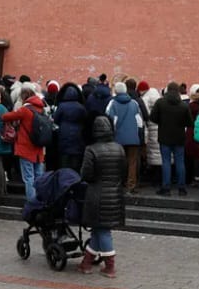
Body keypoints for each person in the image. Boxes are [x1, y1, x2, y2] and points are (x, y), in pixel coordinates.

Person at [78, 117, 126, 277]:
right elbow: (123, 172)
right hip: (115, 194)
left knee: (103, 231)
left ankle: (110, 267)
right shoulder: (119, 148)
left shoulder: (91, 149)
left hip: (96, 196)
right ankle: (86, 263)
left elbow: (86, 174)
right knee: (98, 231)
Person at [1, 87, 47, 204]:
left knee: (28, 177)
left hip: (26, 147)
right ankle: (41, 200)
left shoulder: (25, 110)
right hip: (39, 148)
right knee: (39, 177)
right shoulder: (42, 108)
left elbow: (6, 117)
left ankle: (32, 203)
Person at [150, 82, 193, 196]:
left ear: (167, 90)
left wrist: (162, 122)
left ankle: (166, 187)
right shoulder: (184, 105)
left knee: (166, 162)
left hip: (164, 136)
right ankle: (182, 188)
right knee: (180, 162)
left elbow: (153, 118)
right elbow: (189, 122)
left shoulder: (160, 103)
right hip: (179, 137)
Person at [105, 81, 143, 193]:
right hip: (133, 138)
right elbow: (140, 122)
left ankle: (118, 183)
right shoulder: (134, 103)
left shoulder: (112, 103)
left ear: (116, 91)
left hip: (118, 138)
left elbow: (109, 121)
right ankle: (131, 184)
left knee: (117, 161)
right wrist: (139, 137)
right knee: (132, 162)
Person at [52, 84, 87, 173]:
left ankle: (64, 178)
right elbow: (85, 119)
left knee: (64, 158)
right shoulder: (81, 107)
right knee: (76, 159)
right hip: (78, 133)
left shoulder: (62, 106)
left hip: (64, 132)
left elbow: (55, 119)